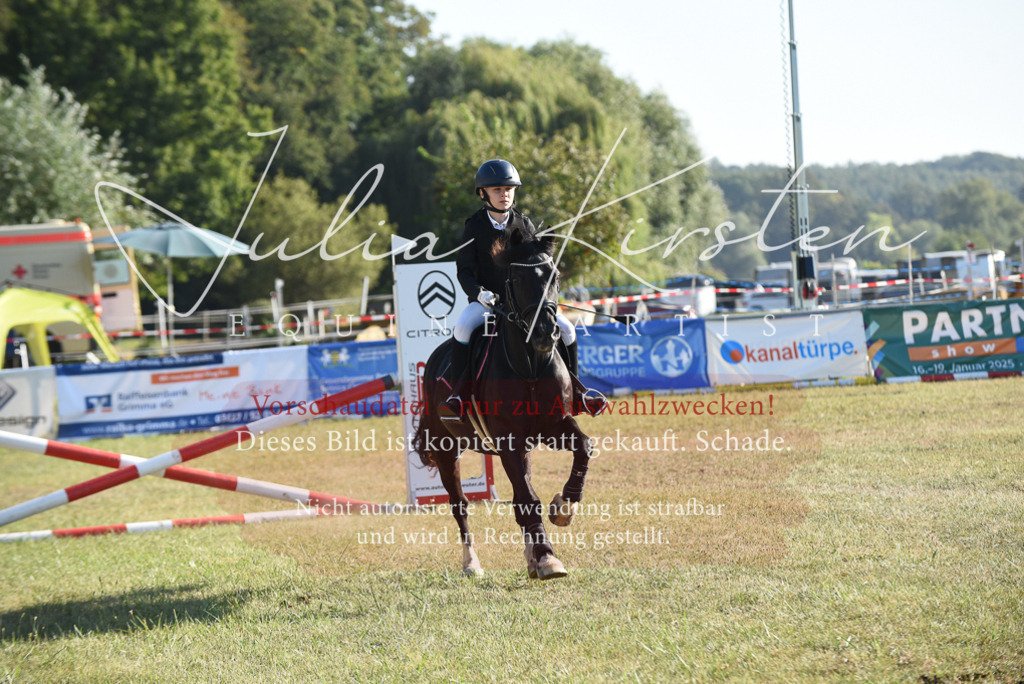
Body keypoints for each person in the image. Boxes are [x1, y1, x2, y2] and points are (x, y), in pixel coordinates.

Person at [441, 159, 606, 420]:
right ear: (483, 193)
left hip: (524, 303)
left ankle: (576, 392)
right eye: (497, 190)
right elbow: (464, 270)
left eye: (508, 189)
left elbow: (536, 267)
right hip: (487, 302)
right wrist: (479, 293)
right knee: (462, 327)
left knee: (566, 328)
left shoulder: (524, 225)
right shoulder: (474, 226)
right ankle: (459, 394)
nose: (504, 194)